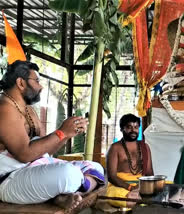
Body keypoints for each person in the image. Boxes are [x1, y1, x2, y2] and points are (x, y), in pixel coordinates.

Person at [0, 60, 105, 210]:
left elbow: (45, 151)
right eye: (36, 81)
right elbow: (24, 154)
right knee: (68, 175)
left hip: (34, 170)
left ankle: (61, 196)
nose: (41, 87)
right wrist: (61, 132)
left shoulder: (28, 110)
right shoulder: (4, 108)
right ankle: (63, 193)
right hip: (10, 178)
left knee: (96, 167)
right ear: (21, 83)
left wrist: (68, 134)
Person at [106, 114, 153, 207]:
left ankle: (140, 198)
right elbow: (111, 176)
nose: (133, 130)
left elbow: (149, 173)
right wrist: (130, 188)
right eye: (129, 127)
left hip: (141, 184)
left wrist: (145, 187)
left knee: (169, 188)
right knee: (127, 199)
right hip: (120, 186)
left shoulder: (145, 147)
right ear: (122, 129)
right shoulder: (115, 147)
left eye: (136, 127)